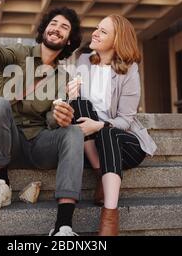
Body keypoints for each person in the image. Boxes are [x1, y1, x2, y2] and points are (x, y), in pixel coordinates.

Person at [0, 0, 84, 236]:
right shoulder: (20, 52)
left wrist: (60, 117)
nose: (57, 28)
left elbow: (50, 121)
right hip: (6, 141)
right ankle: (1, 184)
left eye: (64, 27)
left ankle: (63, 226)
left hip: (39, 144)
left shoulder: (63, 78)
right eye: (53, 23)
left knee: (74, 132)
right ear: (45, 29)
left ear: (68, 40)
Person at [67, 15, 157, 236]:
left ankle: (109, 216)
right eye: (97, 28)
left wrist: (99, 125)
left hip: (123, 142)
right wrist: (70, 97)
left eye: (103, 31)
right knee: (80, 102)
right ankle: (101, 174)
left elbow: (125, 120)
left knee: (108, 132)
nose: (95, 33)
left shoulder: (129, 69)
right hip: (92, 143)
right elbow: (77, 107)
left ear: (118, 40)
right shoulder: (84, 61)